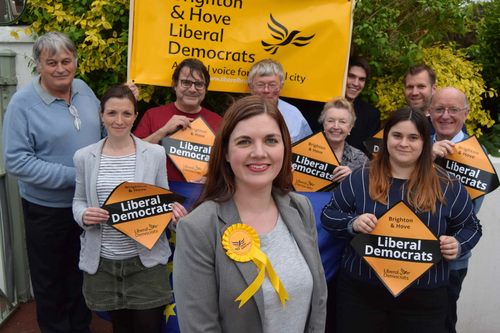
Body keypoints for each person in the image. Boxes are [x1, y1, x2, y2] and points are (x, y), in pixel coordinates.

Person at [173, 95, 327, 333]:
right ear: (225, 152)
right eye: (244, 142)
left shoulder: (300, 208)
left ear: (285, 147)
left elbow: (317, 302)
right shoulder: (199, 228)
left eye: (271, 140)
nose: (259, 152)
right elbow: (199, 327)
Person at [321, 107, 482, 332]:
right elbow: (329, 215)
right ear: (386, 139)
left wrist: (458, 244)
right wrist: (352, 223)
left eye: (413, 137)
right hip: (360, 295)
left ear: (425, 141)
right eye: (397, 135)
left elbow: (471, 227)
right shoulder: (359, 177)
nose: (403, 143)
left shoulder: (449, 185)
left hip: (424, 300)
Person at [2, 31, 101, 333]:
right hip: (47, 211)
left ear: (75, 62)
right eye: (52, 62)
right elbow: (17, 161)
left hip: (84, 207)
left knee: (79, 272)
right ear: (39, 65)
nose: (60, 68)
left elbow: (101, 134)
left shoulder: (84, 89)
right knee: (50, 280)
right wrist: (77, 177)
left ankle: (80, 327)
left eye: (66, 61)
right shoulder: (22, 104)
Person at [72, 85, 187, 333]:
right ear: (101, 115)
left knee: (149, 328)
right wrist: (83, 214)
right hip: (103, 262)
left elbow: (162, 202)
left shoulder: (155, 153)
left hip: (145, 263)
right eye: (112, 113)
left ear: (136, 116)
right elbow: (78, 201)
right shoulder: (84, 156)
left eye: (126, 114)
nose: (119, 120)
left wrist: (174, 218)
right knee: (120, 329)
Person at [429, 87, 483, 333]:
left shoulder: (477, 159)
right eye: (439, 109)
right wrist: (426, 160)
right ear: (429, 112)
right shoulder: (416, 145)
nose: (445, 116)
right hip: (406, 253)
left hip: (449, 262)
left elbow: (467, 217)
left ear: (466, 113)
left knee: (442, 324)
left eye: (453, 110)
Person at [133, 58, 223, 181]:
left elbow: (228, 163)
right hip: (158, 194)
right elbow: (133, 154)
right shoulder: (152, 115)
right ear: (175, 85)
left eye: (199, 84)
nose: (192, 89)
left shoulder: (219, 122)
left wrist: (212, 179)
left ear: (206, 89)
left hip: (202, 196)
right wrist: (163, 131)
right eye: (186, 82)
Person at [248, 59, 312, 142]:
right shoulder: (238, 113)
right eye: (260, 85)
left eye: (272, 85)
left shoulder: (294, 116)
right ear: (251, 88)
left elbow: (308, 150)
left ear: (281, 88)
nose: (266, 90)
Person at [319, 96, 369, 185]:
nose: (336, 127)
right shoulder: (306, 152)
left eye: (342, 122)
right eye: (331, 121)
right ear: (323, 124)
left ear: (350, 127)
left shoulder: (361, 159)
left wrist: (353, 179)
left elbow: (369, 192)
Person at [344, 56, 381, 155]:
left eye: (361, 79)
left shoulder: (371, 114)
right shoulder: (320, 107)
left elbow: (370, 154)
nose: (356, 83)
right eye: (351, 76)